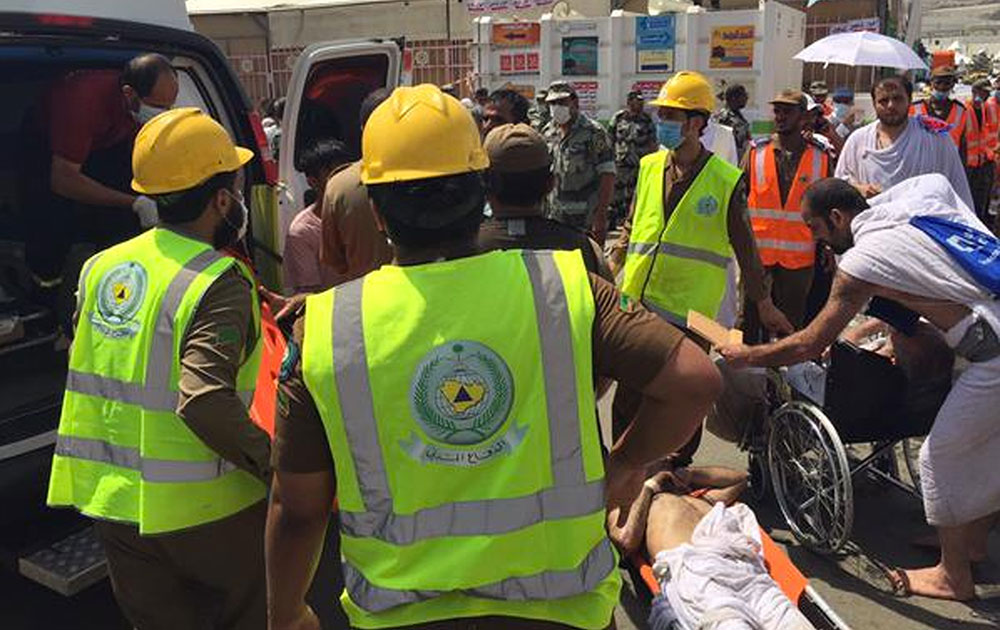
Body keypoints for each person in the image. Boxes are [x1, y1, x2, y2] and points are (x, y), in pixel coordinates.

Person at [264, 83, 722, 630]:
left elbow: (298, 509)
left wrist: (287, 613)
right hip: (563, 612)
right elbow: (696, 380)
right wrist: (624, 464)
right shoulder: (568, 285)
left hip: (400, 615)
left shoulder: (326, 326)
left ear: (379, 212)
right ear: (479, 188)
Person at [720, 174, 1000, 602]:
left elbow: (812, 342)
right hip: (987, 324)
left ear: (836, 217)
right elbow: (937, 180)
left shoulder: (863, 261)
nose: (818, 242)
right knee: (986, 445)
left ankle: (952, 576)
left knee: (938, 456)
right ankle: (973, 541)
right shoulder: (921, 197)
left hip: (991, 354)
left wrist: (749, 356)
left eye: (816, 230)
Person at [47, 108, 270, 628]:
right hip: (210, 511)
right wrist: (276, 464)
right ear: (220, 200)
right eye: (233, 188)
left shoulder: (102, 266)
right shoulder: (218, 279)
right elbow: (205, 399)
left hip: (116, 501)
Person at [608, 71, 792, 466]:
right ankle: (625, 468)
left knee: (682, 395)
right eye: (662, 115)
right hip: (637, 302)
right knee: (629, 392)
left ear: (697, 123)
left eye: (672, 117)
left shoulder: (724, 181)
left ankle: (675, 471)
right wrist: (614, 262)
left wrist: (764, 303)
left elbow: (746, 248)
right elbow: (633, 221)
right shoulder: (649, 166)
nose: (664, 124)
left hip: (688, 311)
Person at [20, 53, 178, 307]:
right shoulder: (83, 100)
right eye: (158, 106)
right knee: (49, 226)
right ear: (129, 94)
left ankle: (121, 291)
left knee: (119, 225)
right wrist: (134, 203)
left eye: (169, 106)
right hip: (49, 147)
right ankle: (46, 303)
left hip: (106, 142)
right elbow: (63, 179)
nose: (165, 113)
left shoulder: (137, 109)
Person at [610, 465, 814, 630]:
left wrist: (690, 474)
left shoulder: (700, 497)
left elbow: (740, 478)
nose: (670, 454)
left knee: (795, 623)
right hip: (698, 577)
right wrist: (649, 486)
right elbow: (625, 539)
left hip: (747, 572)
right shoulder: (632, 504)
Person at [741, 90, 833, 341]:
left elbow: (828, 206)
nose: (780, 116)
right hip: (758, 258)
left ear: (803, 116)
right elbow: (739, 200)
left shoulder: (820, 157)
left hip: (799, 260)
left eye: (787, 111)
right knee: (749, 322)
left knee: (791, 327)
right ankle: (749, 377)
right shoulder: (755, 153)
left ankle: (781, 379)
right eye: (777, 110)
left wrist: (827, 245)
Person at [479, 123, 612, 279]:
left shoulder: (462, 252)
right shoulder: (584, 250)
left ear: (485, 186)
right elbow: (619, 302)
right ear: (551, 184)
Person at [837, 75, 973, 207]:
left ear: (909, 100)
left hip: (921, 225)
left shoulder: (935, 138)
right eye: (883, 101)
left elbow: (958, 188)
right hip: (873, 225)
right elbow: (840, 184)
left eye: (897, 99)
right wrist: (858, 189)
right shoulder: (858, 140)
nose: (891, 105)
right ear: (874, 104)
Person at [319, 88, 394, 285]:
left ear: (363, 129)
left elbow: (336, 262)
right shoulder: (437, 178)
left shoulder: (339, 187)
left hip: (365, 302)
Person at [542, 81, 616, 243]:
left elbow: (607, 175)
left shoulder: (593, 132)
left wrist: (601, 216)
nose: (556, 107)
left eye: (561, 102)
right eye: (552, 103)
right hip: (553, 218)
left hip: (584, 220)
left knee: (585, 266)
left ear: (574, 102)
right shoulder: (548, 132)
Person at [283, 139, 353, 293]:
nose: (343, 182)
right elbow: (309, 294)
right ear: (312, 182)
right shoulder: (302, 232)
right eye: (335, 175)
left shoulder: (363, 213)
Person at [912, 66, 981, 178]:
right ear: (931, 83)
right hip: (920, 169)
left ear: (953, 85)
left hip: (950, 169)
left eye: (947, 83)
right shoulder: (915, 108)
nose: (942, 87)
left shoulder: (961, 111)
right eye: (938, 82)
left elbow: (966, 144)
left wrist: (964, 172)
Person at [609, 90, 658, 229]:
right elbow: (610, 138)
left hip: (638, 163)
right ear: (629, 102)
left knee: (635, 194)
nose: (640, 104)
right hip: (620, 162)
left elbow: (653, 142)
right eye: (637, 101)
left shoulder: (646, 120)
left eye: (641, 101)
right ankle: (613, 222)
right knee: (615, 195)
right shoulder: (619, 118)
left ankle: (631, 221)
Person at [967, 79, 998, 221]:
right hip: (969, 164)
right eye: (982, 92)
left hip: (985, 160)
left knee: (983, 199)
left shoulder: (985, 108)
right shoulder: (966, 108)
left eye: (987, 93)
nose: (985, 95)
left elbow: (986, 134)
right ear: (974, 91)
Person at [713, 83, 751, 160]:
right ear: (734, 98)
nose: (747, 98)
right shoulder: (724, 118)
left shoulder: (739, 117)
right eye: (743, 95)